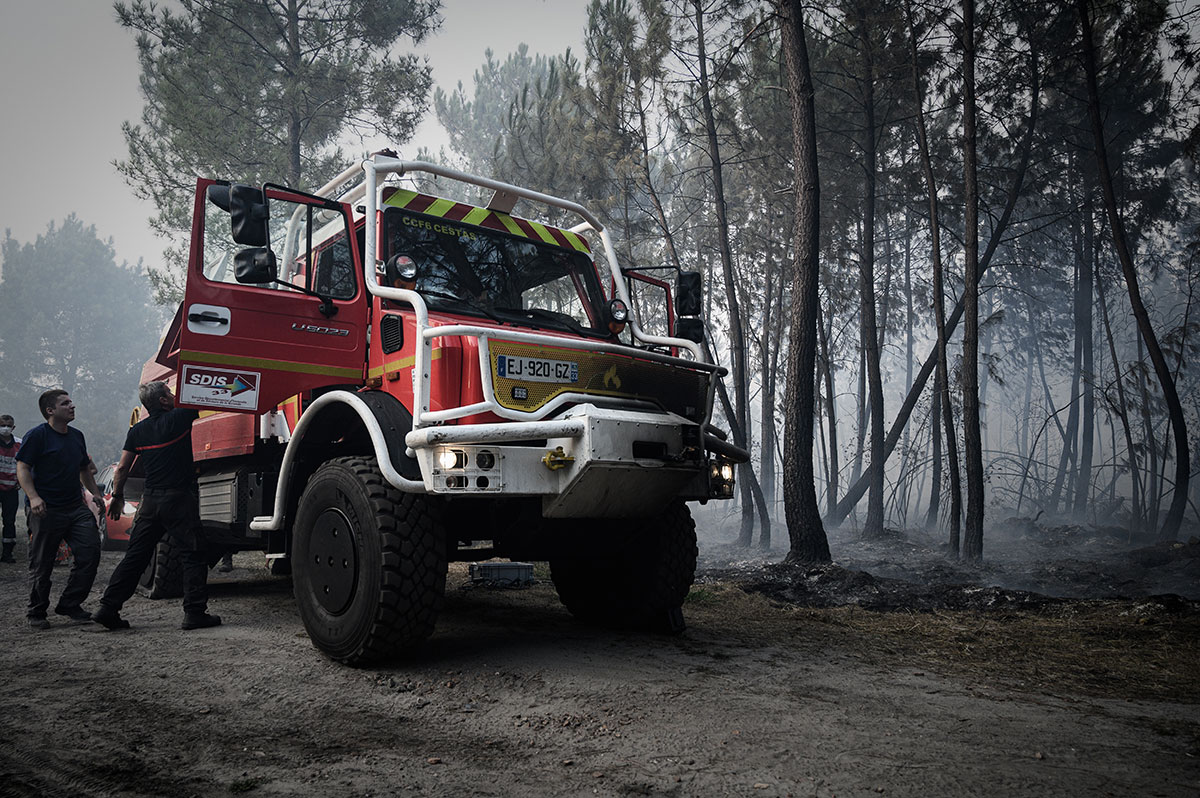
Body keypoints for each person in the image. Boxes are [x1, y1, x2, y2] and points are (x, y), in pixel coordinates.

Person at [93, 381, 221, 631]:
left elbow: (122, 468)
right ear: (163, 401)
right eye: (169, 393)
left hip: (150, 502)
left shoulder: (137, 431)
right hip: (178, 499)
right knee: (193, 554)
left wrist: (117, 496)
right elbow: (202, 394)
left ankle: (108, 608)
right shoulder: (180, 418)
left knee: (135, 556)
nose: (174, 395)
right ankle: (194, 613)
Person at [15, 391, 104, 628]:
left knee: (91, 552)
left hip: (75, 507)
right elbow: (22, 467)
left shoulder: (77, 436)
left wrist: (95, 494)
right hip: (46, 509)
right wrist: (33, 498)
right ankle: (36, 611)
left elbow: (85, 469)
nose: (72, 405)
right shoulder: (37, 436)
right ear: (50, 411)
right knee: (42, 562)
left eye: (71, 402)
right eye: (65, 403)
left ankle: (70, 603)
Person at [0, 414, 21, 563]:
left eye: (8, 425)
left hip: (12, 488)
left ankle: (7, 553)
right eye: (2, 425)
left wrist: (22, 481)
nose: (5, 428)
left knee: (9, 520)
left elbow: (26, 464)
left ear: (13, 427)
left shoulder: (20, 443)